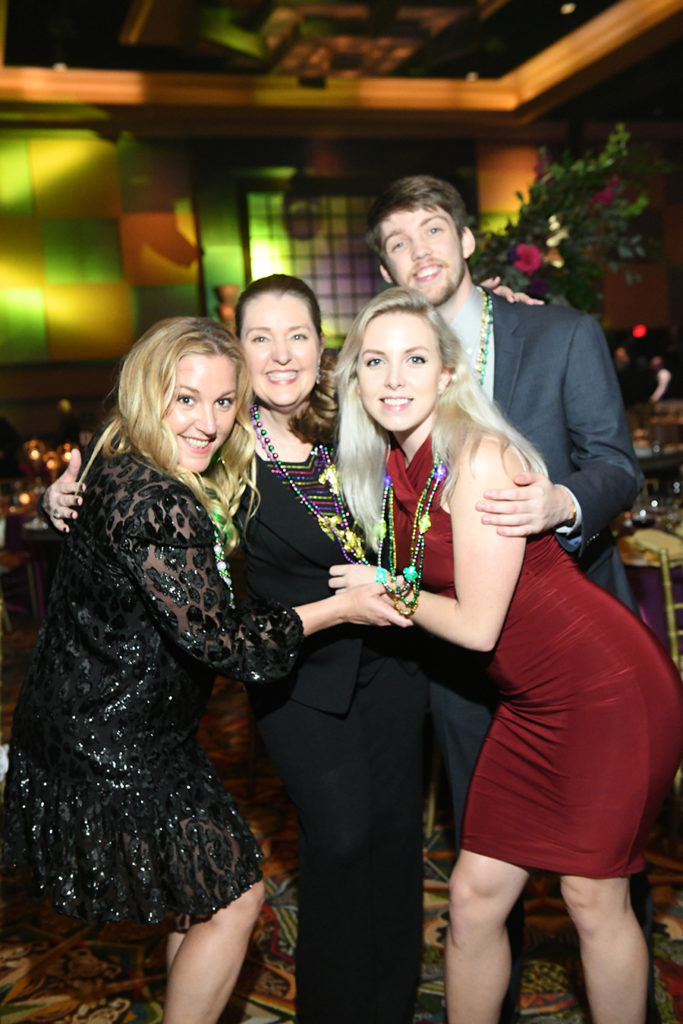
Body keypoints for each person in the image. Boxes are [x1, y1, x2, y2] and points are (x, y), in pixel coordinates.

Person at [39, 279, 428, 1024]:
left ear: (325, 348)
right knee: (338, 846)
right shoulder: (218, 438)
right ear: (236, 352)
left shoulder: (364, 418)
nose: (282, 354)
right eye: (260, 338)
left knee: (395, 847)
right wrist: (71, 492)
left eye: (299, 336)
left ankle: (394, 1004)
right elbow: (132, 445)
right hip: (295, 677)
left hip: (396, 668)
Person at [332, 286, 683, 1024]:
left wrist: (384, 588)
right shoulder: (399, 462)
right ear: (354, 380)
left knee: (592, 895)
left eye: (414, 358)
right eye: (374, 361)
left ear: (448, 375)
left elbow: (475, 628)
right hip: (531, 704)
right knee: (472, 896)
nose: (394, 378)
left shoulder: (476, 457)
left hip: (606, 691)